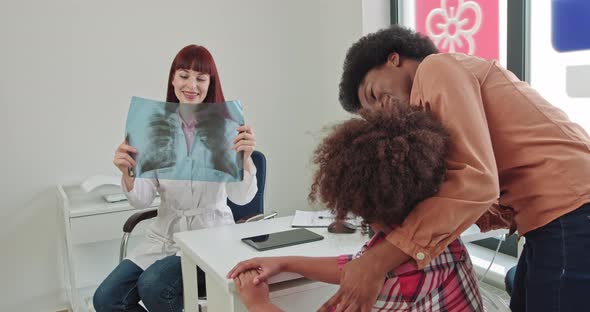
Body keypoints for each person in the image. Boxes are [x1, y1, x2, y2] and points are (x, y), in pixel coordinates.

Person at [317, 25, 590, 312]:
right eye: (373, 113)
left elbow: (476, 182)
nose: (382, 108)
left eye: (373, 94)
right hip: (551, 216)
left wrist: (376, 262)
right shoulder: (433, 110)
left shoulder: (436, 68)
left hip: (569, 207)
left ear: (392, 59)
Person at [228, 104, 484, 311]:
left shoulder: (388, 284)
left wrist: (258, 302)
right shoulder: (440, 236)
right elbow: (360, 266)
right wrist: (285, 263)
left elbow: (366, 272)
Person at [93, 44, 258, 312]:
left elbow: (242, 197)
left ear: (210, 83)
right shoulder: (153, 128)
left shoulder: (227, 129)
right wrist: (128, 173)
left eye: (200, 78)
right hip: (164, 236)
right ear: (172, 79)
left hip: (210, 237)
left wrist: (245, 158)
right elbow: (142, 199)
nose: (191, 84)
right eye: (184, 75)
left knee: (155, 284)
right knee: (106, 298)